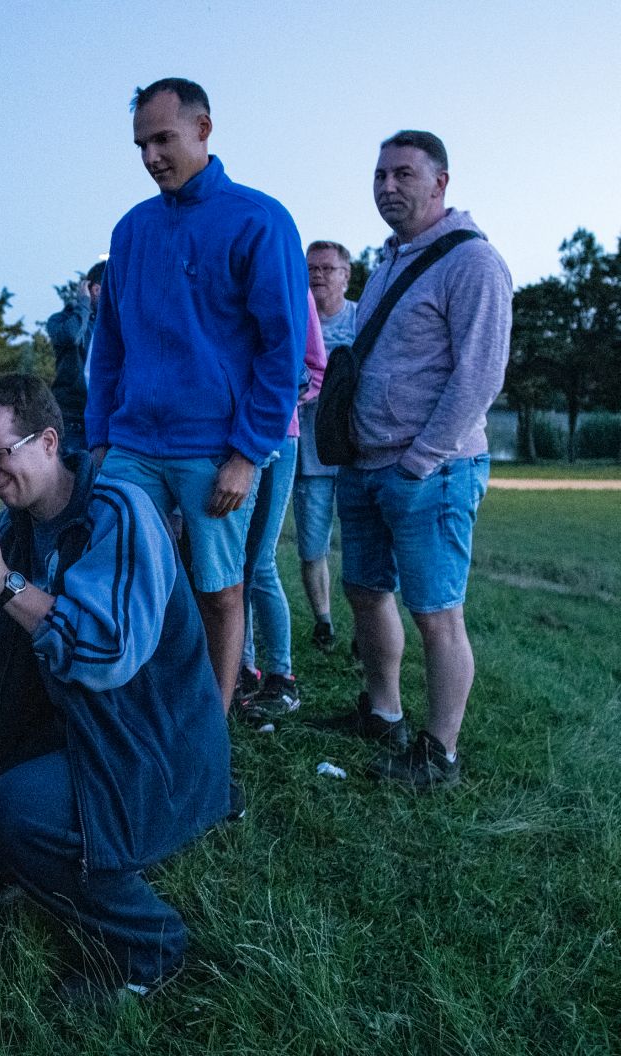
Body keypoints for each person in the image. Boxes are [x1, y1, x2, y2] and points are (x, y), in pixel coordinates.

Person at [0, 374, 229, 1007]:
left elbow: (103, 654)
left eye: (0, 455)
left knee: (14, 812)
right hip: (76, 734)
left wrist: (3, 582)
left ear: (50, 441)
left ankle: (150, 947)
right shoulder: (22, 522)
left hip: (152, 752)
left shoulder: (119, 511)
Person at [86, 78, 306, 714]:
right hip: (130, 445)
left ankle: (212, 722)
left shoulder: (259, 220)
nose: (152, 156)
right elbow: (111, 345)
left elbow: (281, 351)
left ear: (204, 129)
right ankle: (128, 706)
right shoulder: (130, 230)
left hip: (212, 449)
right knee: (121, 578)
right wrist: (101, 437)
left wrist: (247, 454)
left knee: (218, 590)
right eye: (141, 145)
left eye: (164, 138)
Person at [310, 131, 512, 789]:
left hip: (431, 471)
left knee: (436, 612)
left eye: (403, 174)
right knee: (366, 592)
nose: (387, 186)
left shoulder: (473, 262)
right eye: (379, 175)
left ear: (441, 182)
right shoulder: (393, 256)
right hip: (367, 465)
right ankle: (383, 712)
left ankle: (440, 753)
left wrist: (419, 462)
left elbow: (479, 375)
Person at [237, 292, 326, 718]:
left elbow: (315, 369)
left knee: (260, 560)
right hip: (225, 437)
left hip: (277, 434)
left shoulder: (295, 289)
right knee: (234, 563)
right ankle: (243, 667)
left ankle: (281, 676)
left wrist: (281, 399)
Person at [297, 240, 358, 653]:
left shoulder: (363, 319)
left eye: (327, 268)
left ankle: (363, 630)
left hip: (357, 452)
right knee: (312, 544)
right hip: (309, 455)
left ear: (346, 275)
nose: (318, 275)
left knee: (359, 546)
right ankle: (324, 622)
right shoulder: (294, 316)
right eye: (311, 268)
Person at [44, 260, 105, 454]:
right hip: (70, 418)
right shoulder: (60, 320)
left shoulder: (109, 328)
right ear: (95, 289)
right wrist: (84, 303)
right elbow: (71, 336)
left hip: (100, 421)